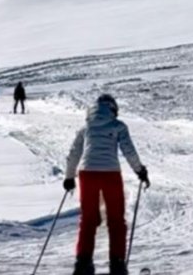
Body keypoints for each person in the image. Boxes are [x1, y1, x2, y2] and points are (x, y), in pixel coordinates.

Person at [64, 94, 150, 275]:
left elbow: (74, 153)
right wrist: (140, 170)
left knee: (87, 219)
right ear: (113, 109)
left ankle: (83, 265)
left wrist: (69, 177)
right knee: (116, 219)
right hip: (110, 174)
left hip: (87, 174)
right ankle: (117, 264)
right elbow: (129, 150)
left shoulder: (85, 128)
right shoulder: (118, 126)